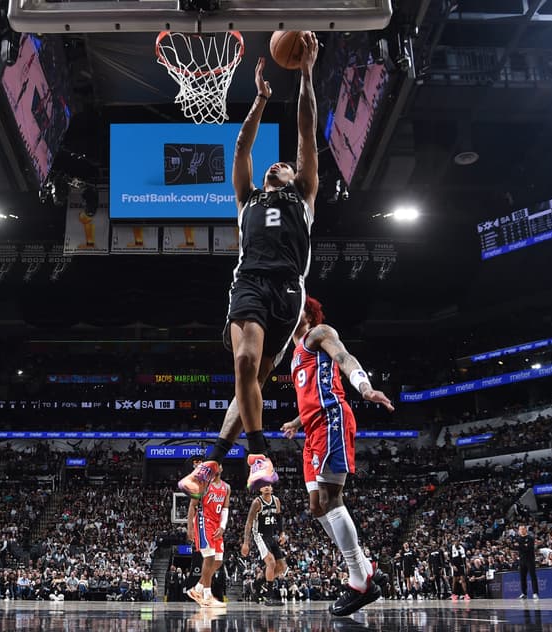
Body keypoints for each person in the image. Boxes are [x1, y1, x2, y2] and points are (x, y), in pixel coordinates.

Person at [179, 33, 321, 496]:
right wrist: (259, 100)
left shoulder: (304, 193)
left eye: (281, 165)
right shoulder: (248, 197)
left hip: (289, 291)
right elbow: (241, 149)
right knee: (243, 360)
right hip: (251, 283)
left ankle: (214, 460)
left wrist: (306, 76)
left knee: (253, 382)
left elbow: (305, 131)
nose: (272, 166)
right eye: (270, 165)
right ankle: (258, 455)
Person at [279, 295, 394, 616]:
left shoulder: (319, 333)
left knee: (331, 499)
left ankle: (360, 581)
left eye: (296, 304)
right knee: (317, 507)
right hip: (311, 428)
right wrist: (297, 421)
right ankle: (365, 568)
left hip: (331, 419)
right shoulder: (293, 353)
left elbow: (344, 357)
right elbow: (312, 391)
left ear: (308, 313)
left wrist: (365, 387)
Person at [185, 466, 231, 608]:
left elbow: (225, 509)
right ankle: (207, 595)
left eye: (219, 465)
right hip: (203, 521)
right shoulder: (202, 484)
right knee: (209, 558)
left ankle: (196, 589)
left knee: (218, 561)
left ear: (222, 468)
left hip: (217, 525)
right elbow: (192, 506)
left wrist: (223, 526)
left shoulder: (226, 487)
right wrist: (190, 528)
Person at [241, 484, 287, 606]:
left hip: (271, 536)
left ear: (272, 488)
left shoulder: (276, 500)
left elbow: (279, 518)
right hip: (259, 535)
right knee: (271, 563)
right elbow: (249, 523)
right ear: (260, 488)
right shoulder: (257, 502)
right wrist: (246, 542)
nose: (266, 487)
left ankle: (256, 584)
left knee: (282, 567)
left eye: (269, 485)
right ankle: (269, 596)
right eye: (264, 485)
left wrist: (282, 533)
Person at [513, 524, 540, 600]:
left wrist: (520, 546)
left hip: (530, 559)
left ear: (525, 530)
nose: (521, 530)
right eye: (520, 529)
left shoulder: (530, 538)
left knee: (533, 577)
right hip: (522, 560)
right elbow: (514, 547)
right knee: (522, 577)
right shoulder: (518, 539)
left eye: (523, 529)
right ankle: (524, 593)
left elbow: (528, 548)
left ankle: (535, 593)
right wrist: (522, 545)